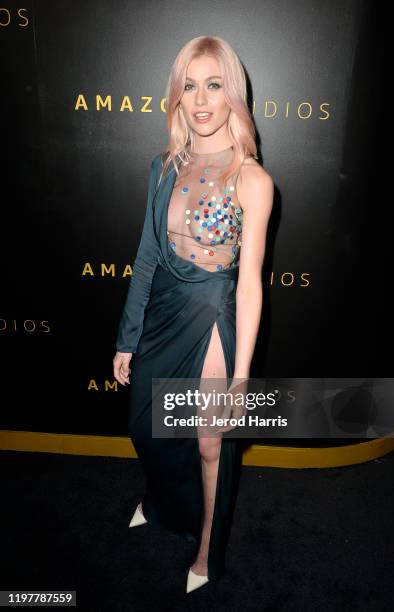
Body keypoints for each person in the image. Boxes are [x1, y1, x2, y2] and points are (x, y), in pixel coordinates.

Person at [113, 35, 273, 593]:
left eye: (214, 84)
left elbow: (250, 286)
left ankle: (207, 546)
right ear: (176, 96)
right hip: (161, 314)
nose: (201, 99)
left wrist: (242, 379)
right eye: (189, 85)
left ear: (234, 94)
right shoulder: (163, 167)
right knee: (148, 427)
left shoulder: (252, 180)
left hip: (210, 320)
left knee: (208, 443)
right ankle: (163, 504)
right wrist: (126, 339)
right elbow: (148, 256)